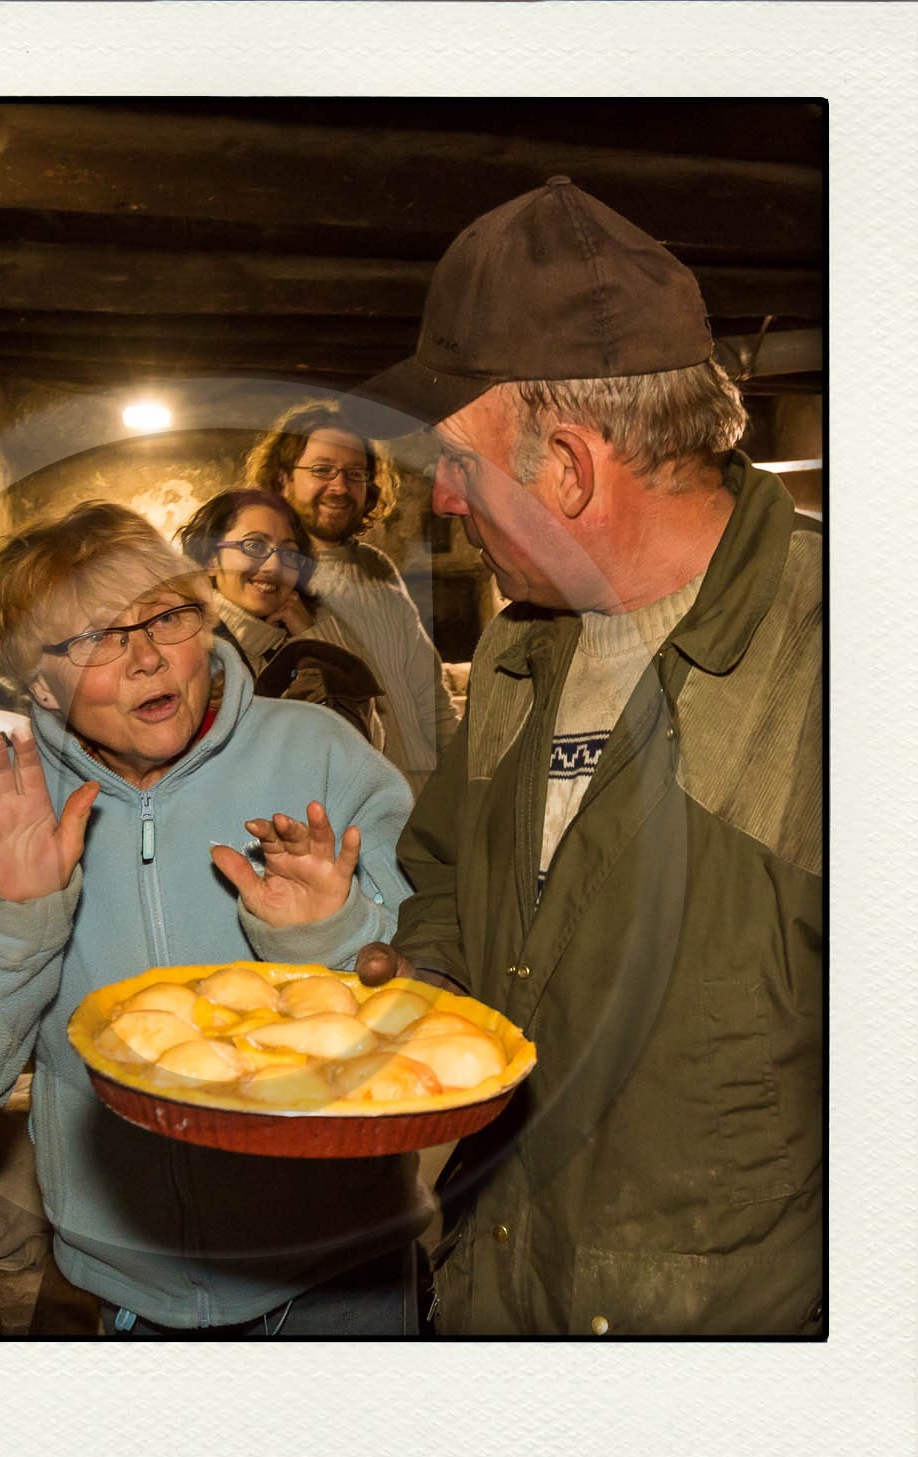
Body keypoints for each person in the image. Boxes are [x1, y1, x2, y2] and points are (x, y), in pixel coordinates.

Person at [348, 176, 822, 1337]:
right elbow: (454, 874)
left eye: (456, 466)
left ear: (567, 465)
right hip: (502, 1292)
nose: (445, 504)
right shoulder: (518, 645)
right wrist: (427, 987)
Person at [0, 501, 432, 1336]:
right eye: (95, 637)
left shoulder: (320, 755)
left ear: (203, 625)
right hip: (129, 1296)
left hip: (343, 1275)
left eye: (166, 616)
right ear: (40, 685)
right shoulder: (7, 815)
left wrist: (336, 937)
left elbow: (439, 1011)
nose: (144, 658)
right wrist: (4, 924)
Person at [244, 398, 459, 796]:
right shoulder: (265, 579)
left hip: (421, 807)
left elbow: (431, 699)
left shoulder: (377, 567)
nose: (340, 487)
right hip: (343, 814)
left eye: (355, 474)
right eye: (322, 470)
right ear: (281, 480)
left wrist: (460, 790)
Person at [175, 486, 385, 749]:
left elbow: (367, 745)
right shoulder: (189, 650)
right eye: (253, 545)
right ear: (210, 559)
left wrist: (312, 637)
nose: (273, 566)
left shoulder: (287, 645)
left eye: (288, 553)